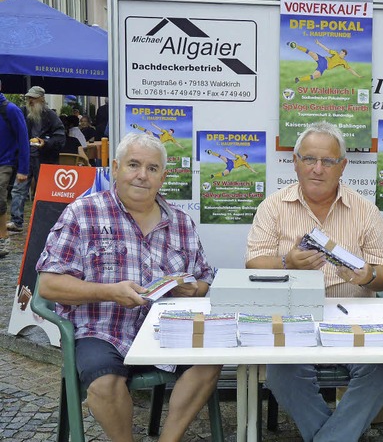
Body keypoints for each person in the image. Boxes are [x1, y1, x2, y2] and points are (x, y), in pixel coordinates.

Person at [35, 133, 220, 441]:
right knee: (104, 384)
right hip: (103, 330)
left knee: (210, 361)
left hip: (167, 329)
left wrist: (195, 289)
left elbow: (204, 277)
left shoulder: (181, 222)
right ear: (116, 168)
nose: (142, 175)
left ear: (163, 176)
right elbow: (49, 285)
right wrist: (108, 291)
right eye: (133, 165)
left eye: (152, 168)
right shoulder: (83, 213)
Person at [245, 121, 383, 442]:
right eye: (309, 159)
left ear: (342, 166)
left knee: (380, 372)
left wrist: (368, 275)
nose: (317, 169)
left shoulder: (365, 210)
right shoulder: (273, 207)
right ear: (295, 161)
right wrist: (287, 262)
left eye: (328, 161)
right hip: (292, 314)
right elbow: (253, 263)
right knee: (282, 372)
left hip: (352, 313)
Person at [7, 85, 65, 232]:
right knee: (18, 189)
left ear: (41, 99)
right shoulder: (22, 112)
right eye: (29, 98)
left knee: (45, 191)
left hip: (44, 159)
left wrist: (45, 142)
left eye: (33, 98)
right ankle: (16, 221)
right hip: (25, 158)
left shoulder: (51, 116)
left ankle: (46, 222)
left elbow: (60, 137)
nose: (30, 100)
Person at [0, 79, 29, 257]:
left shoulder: (10, 110)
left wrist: (23, 169)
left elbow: (23, 139)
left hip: (4, 162)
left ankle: (2, 239)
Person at [288, 39, 362, 83]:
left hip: (324, 67)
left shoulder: (344, 62)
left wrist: (358, 76)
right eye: (341, 52)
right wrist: (319, 43)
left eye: (342, 53)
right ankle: (295, 46)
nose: (340, 53)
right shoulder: (335, 53)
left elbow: (350, 69)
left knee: (316, 76)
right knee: (311, 53)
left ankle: (298, 79)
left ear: (344, 55)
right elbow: (326, 49)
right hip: (323, 60)